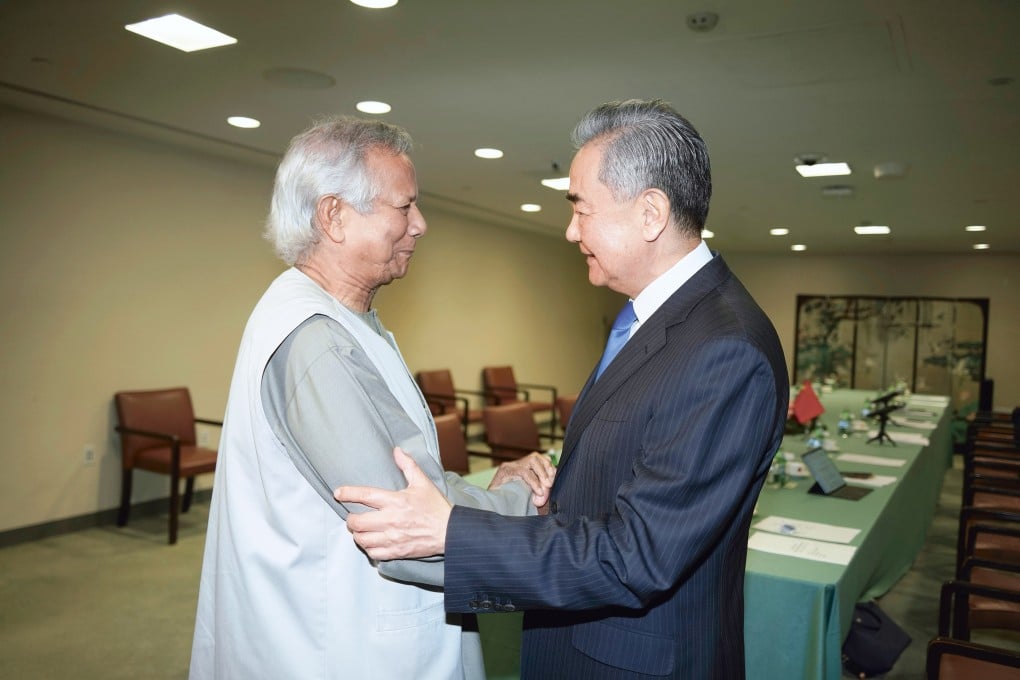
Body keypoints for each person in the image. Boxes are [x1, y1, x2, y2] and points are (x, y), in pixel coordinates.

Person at [338, 99, 790, 679]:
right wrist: (551, 489)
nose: (571, 230)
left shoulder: (724, 349)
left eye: (581, 207)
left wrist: (452, 531)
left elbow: (637, 555)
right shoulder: (661, 321)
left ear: (650, 213)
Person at [189, 115, 555, 680]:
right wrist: (523, 504)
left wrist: (494, 490)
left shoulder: (345, 323)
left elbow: (412, 474)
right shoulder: (315, 341)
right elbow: (400, 521)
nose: (420, 224)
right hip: (337, 647)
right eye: (404, 207)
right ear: (334, 215)